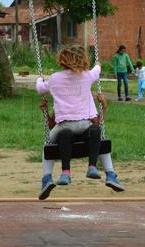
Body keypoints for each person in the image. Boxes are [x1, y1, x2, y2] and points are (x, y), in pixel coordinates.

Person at [36, 45, 102, 194]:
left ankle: (53, 176)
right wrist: (98, 64)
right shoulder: (87, 75)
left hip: (64, 127)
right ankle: (93, 167)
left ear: (62, 60)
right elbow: (96, 71)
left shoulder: (55, 78)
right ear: (83, 59)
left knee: (47, 147)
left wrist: (39, 78)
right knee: (96, 130)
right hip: (85, 125)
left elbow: (40, 88)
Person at [38, 93, 124, 200]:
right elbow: (52, 125)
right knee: (65, 133)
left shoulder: (86, 97)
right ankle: (63, 174)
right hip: (66, 139)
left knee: (96, 131)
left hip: (85, 135)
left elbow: (97, 123)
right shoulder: (62, 99)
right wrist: (45, 111)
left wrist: (104, 107)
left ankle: (94, 168)